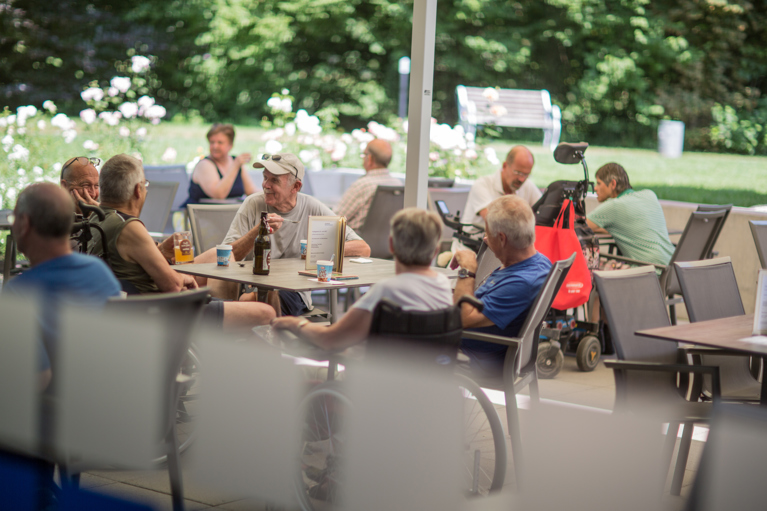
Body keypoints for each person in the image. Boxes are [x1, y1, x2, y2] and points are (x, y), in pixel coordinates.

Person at [87, 153, 275, 330]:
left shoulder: (98, 217)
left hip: (131, 305)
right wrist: (181, 277)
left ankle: (222, 319)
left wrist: (161, 252)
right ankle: (218, 345)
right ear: (138, 190)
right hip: (160, 312)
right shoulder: (130, 227)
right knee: (265, 312)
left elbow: (127, 262)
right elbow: (173, 286)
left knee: (214, 257)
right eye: (145, 184)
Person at [271, 208, 451, 350]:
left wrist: (296, 323)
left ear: (391, 245)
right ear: (436, 251)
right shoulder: (443, 285)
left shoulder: (387, 291)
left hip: (378, 384)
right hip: (428, 383)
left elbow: (331, 339)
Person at [3, 183, 122, 390]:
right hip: (107, 403)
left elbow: (37, 379)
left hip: (58, 415)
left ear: (24, 223)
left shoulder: (18, 293)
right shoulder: (100, 271)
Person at [223, 152, 371, 317]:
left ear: (296, 187)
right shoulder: (252, 204)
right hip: (252, 286)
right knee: (250, 302)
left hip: (293, 291)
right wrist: (256, 232)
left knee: (256, 303)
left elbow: (363, 249)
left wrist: (316, 248)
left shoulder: (313, 207)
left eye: (274, 180)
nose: (266, 185)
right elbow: (226, 256)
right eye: (265, 178)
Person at [453, 195, 552, 377]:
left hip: (476, 357)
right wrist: (496, 246)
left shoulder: (521, 283)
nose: (485, 238)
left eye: (488, 234)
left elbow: (461, 319)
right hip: (482, 344)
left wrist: (467, 270)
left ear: (502, 238)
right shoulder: (540, 263)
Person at [586, 162, 675, 267]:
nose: (595, 188)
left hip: (648, 272)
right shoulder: (649, 194)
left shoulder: (614, 206)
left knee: (594, 269)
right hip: (672, 268)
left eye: (599, 183)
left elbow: (580, 226)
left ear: (613, 184)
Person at [460, 145, 542, 227]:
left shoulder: (528, 186)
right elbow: (495, 222)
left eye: (526, 174)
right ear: (505, 166)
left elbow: (544, 211)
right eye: (518, 172)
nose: (522, 179)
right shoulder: (482, 184)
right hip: (472, 239)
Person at [334, 139, 402, 230]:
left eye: (364, 154)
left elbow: (335, 220)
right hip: (386, 242)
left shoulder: (362, 185)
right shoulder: (398, 185)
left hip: (355, 242)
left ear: (369, 158)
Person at [185, 123, 259, 204]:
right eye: (212, 142)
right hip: (201, 214)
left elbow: (250, 190)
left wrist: (269, 194)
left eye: (220, 142)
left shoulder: (235, 161)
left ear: (230, 145)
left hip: (230, 214)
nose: (215, 146)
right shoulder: (205, 164)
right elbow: (219, 195)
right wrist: (235, 166)